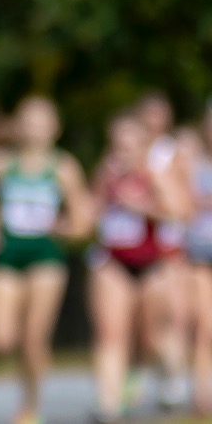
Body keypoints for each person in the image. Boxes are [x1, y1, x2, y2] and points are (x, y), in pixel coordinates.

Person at [0, 95, 90, 424]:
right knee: (0, 337)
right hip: (8, 253)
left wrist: (65, 228)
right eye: (28, 121)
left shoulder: (64, 167)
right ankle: (22, 380)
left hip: (46, 255)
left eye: (42, 122)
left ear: (55, 129)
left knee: (34, 338)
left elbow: (82, 220)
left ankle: (30, 406)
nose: (34, 129)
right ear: (17, 126)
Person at [87, 110, 191, 423]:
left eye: (130, 146)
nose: (123, 153)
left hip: (154, 263)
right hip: (113, 262)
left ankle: (171, 377)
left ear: (143, 147)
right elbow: (89, 215)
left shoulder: (155, 174)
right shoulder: (106, 175)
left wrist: (143, 206)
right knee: (110, 333)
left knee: (153, 335)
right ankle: (109, 406)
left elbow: (181, 212)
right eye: (118, 146)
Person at [178, 110, 212, 413]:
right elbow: (179, 201)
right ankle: (202, 395)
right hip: (199, 252)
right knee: (204, 326)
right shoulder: (191, 160)